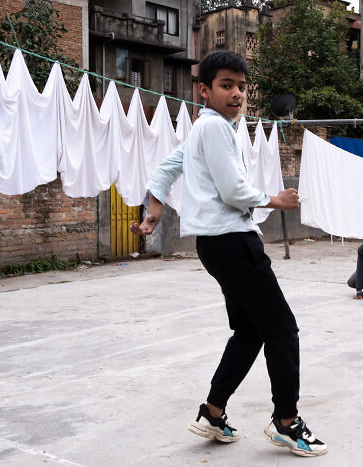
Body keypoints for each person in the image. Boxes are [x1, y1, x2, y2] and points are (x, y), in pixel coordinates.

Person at [130, 50, 327, 457]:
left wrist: (155, 207)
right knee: (282, 330)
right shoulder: (216, 129)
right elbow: (234, 192)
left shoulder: (209, 129)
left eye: (241, 86)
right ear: (204, 90)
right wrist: (276, 199)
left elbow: (165, 169)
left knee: (251, 330)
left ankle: (212, 412)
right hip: (233, 240)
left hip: (215, 244)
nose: (237, 93)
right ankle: (286, 423)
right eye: (226, 85)